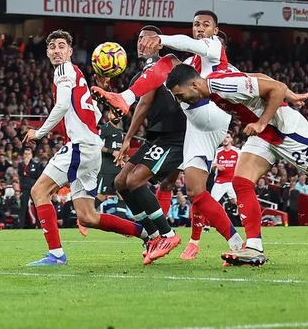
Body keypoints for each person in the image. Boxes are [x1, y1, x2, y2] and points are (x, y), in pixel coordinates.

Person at [165, 64, 308, 267]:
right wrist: (288, 96)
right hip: (265, 136)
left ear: (194, 84)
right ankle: (254, 247)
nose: (179, 100)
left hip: (287, 133)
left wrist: (263, 119)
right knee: (241, 181)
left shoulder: (222, 86)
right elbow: (256, 76)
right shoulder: (217, 83)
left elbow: (276, 87)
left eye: (179, 94)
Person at [93, 12, 245, 258]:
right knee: (196, 192)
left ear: (215, 30)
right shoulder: (194, 63)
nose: (200, 29)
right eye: (195, 24)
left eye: (206, 25)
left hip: (209, 113)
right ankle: (237, 245)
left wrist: (161, 40)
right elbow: (152, 88)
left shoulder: (213, 47)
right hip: (196, 126)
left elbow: (187, 44)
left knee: (170, 62)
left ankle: (166, 235)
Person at [22, 30, 146, 266]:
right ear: (47, 52)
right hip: (91, 149)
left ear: (70, 51)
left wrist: (38, 133)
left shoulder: (63, 71)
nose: (57, 51)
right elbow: (97, 114)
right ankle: (145, 233)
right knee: (88, 217)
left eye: (61, 46)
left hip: (80, 146)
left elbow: (61, 105)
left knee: (39, 192)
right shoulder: (78, 74)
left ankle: (56, 255)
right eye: (52, 47)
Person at [109, 26, 186, 265]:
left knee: (135, 181)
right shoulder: (138, 77)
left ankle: (168, 234)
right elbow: (138, 107)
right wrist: (123, 129)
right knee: (120, 182)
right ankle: (152, 236)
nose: (143, 42)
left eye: (149, 38)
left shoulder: (166, 64)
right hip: (157, 138)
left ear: (160, 43)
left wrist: (128, 139)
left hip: (176, 136)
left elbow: (142, 106)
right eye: (140, 39)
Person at [181, 132, 239, 260]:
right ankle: (205, 227)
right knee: (206, 201)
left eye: (228, 137)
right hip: (220, 182)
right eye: (224, 136)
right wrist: (216, 165)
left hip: (231, 181)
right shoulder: (217, 151)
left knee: (236, 202)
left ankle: (242, 240)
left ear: (232, 139)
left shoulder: (237, 152)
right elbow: (212, 163)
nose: (225, 139)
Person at [18, 147, 42, 229]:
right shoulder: (21, 165)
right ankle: (21, 225)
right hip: (24, 188)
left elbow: (37, 176)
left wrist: (27, 170)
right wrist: (25, 166)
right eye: (25, 154)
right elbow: (21, 174)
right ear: (23, 155)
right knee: (23, 207)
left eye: (28, 154)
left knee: (36, 206)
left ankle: (39, 225)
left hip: (33, 187)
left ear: (31, 155)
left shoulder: (36, 165)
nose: (27, 156)